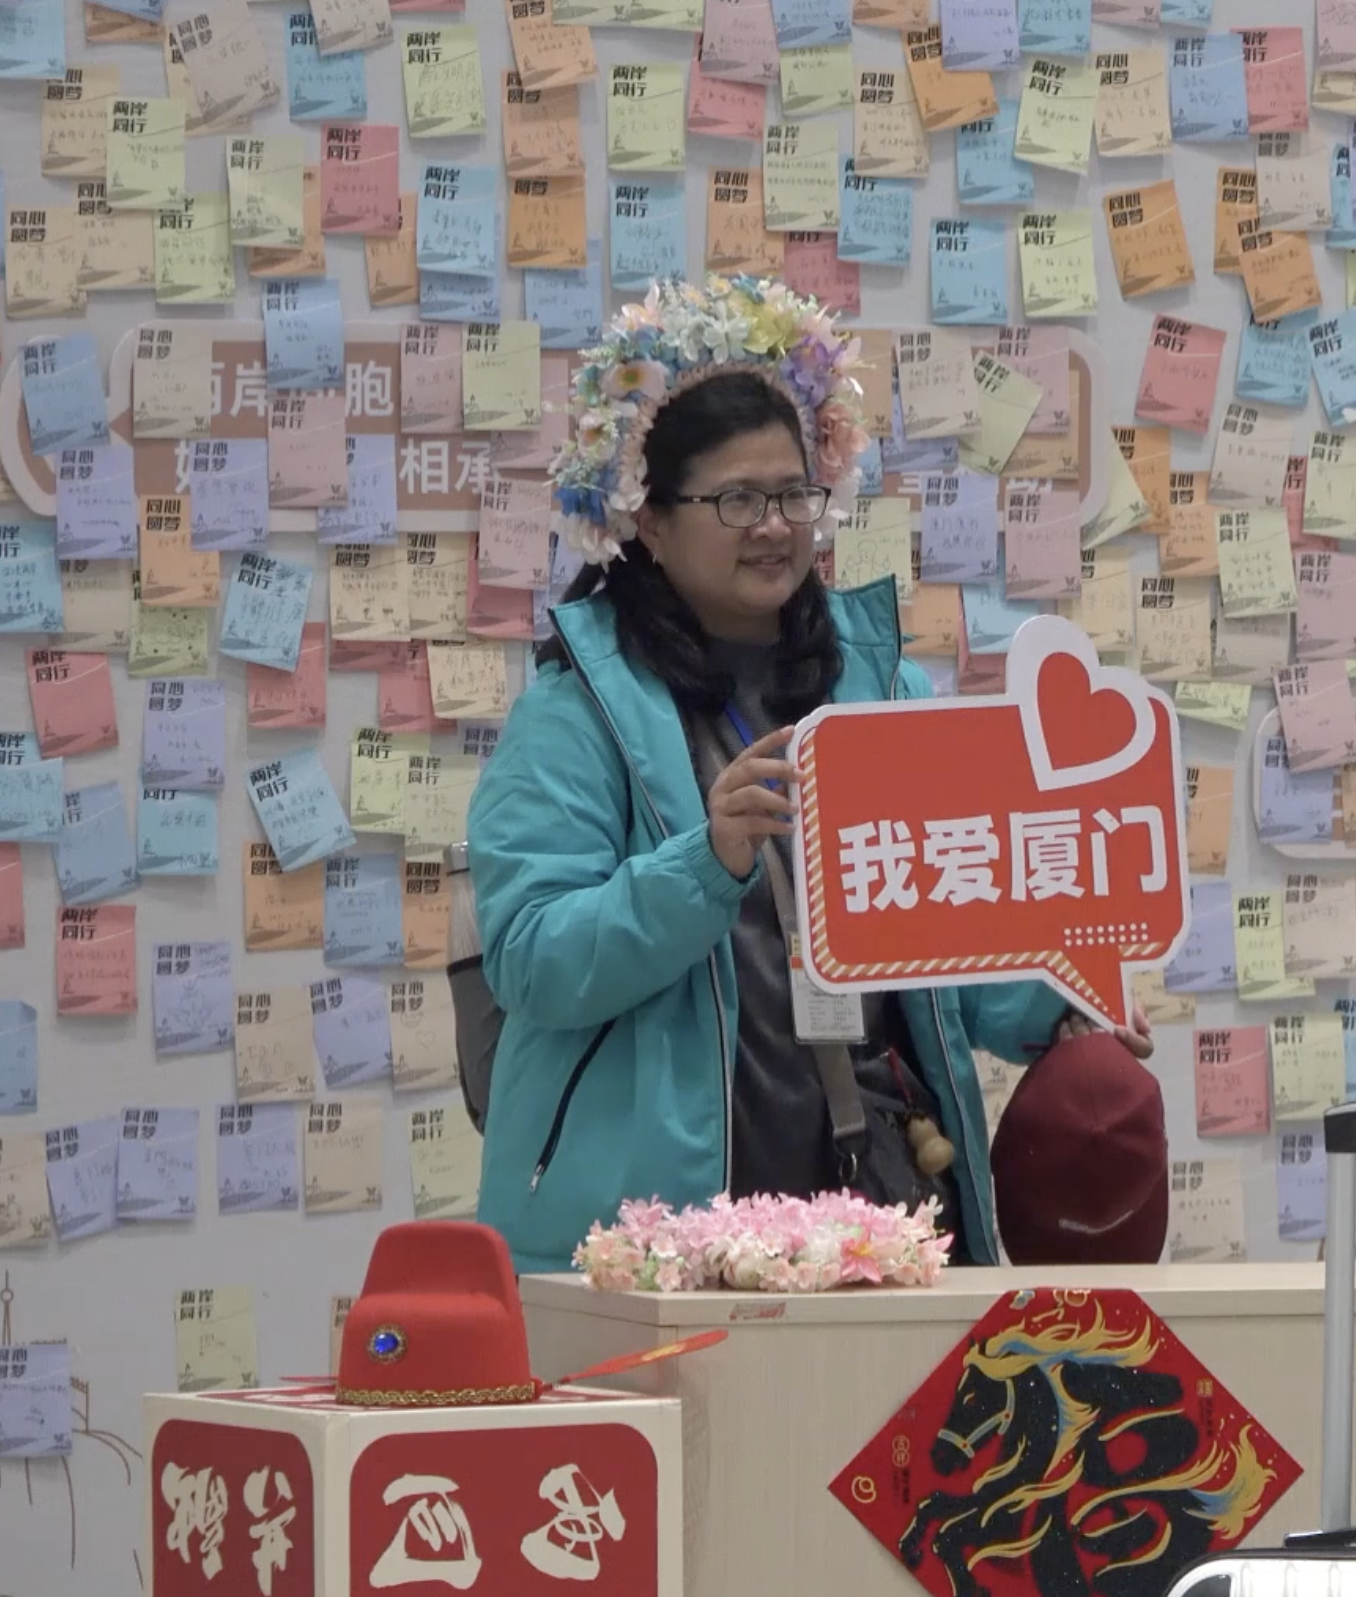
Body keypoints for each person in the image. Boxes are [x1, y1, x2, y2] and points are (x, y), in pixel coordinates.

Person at [467, 276, 1152, 1276]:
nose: (776, 526)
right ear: (649, 520)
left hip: (878, 1200)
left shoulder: (879, 687)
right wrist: (705, 863)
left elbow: (954, 925)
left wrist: (1065, 999)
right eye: (737, 498)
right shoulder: (577, 716)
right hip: (659, 1234)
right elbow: (532, 960)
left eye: (792, 493)